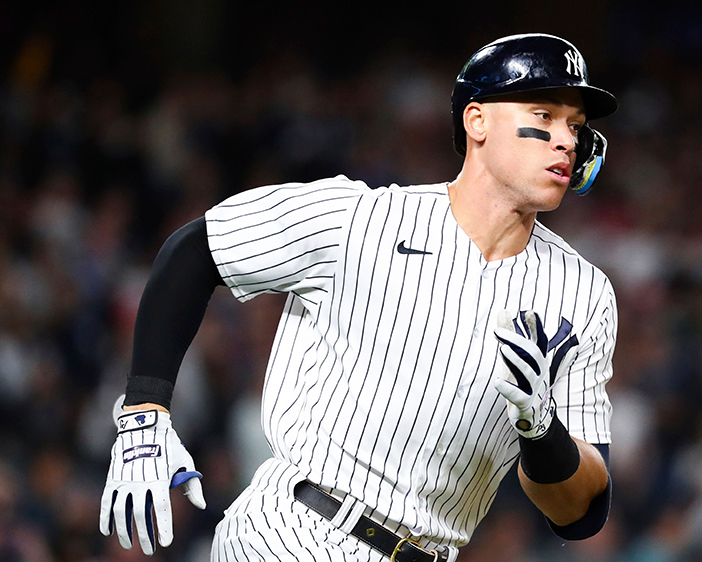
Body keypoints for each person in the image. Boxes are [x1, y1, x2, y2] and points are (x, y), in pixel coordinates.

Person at [99, 33, 619, 562]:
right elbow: (195, 251)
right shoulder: (361, 217)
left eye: (576, 126)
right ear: (477, 121)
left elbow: (580, 514)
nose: (567, 141)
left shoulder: (584, 293)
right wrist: (143, 412)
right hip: (295, 530)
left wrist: (543, 430)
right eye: (545, 115)